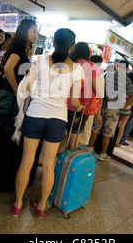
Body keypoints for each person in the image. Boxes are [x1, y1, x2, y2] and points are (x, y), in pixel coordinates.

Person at [11, 28, 84, 218]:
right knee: (49, 165)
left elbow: (26, 87)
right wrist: (80, 107)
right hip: (58, 120)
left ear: (54, 42)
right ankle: (42, 206)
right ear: (72, 47)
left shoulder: (41, 60)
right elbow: (75, 102)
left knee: (27, 162)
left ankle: (18, 204)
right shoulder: (77, 70)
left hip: (35, 115)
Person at [88, 60, 133, 162]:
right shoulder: (126, 80)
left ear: (117, 66)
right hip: (114, 109)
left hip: (102, 105)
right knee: (108, 133)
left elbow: (100, 90)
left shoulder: (107, 75)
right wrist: (124, 106)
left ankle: (90, 148)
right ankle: (103, 154)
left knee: (96, 129)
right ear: (127, 69)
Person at [62, 42, 103, 151]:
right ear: (87, 53)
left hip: (62, 103)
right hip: (79, 106)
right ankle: (69, 158)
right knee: (75, 134)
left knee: (63, 131)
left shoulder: (68, 63)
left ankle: (59, 152)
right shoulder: (92, 66)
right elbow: (98, 88)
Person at [79, 55, 104, 146]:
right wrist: (98, 114)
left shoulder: (81, 71)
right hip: (90, 108)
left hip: (78, 106)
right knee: (83, 133)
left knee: (74, 131)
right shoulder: (98, 76)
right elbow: (99, 97)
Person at [114, 63, 133, 147]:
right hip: (126, 108)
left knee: (115, 123)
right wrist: (127, 106)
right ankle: (117, 142)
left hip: (118, 105)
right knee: (122, 126)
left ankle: (112, 140)